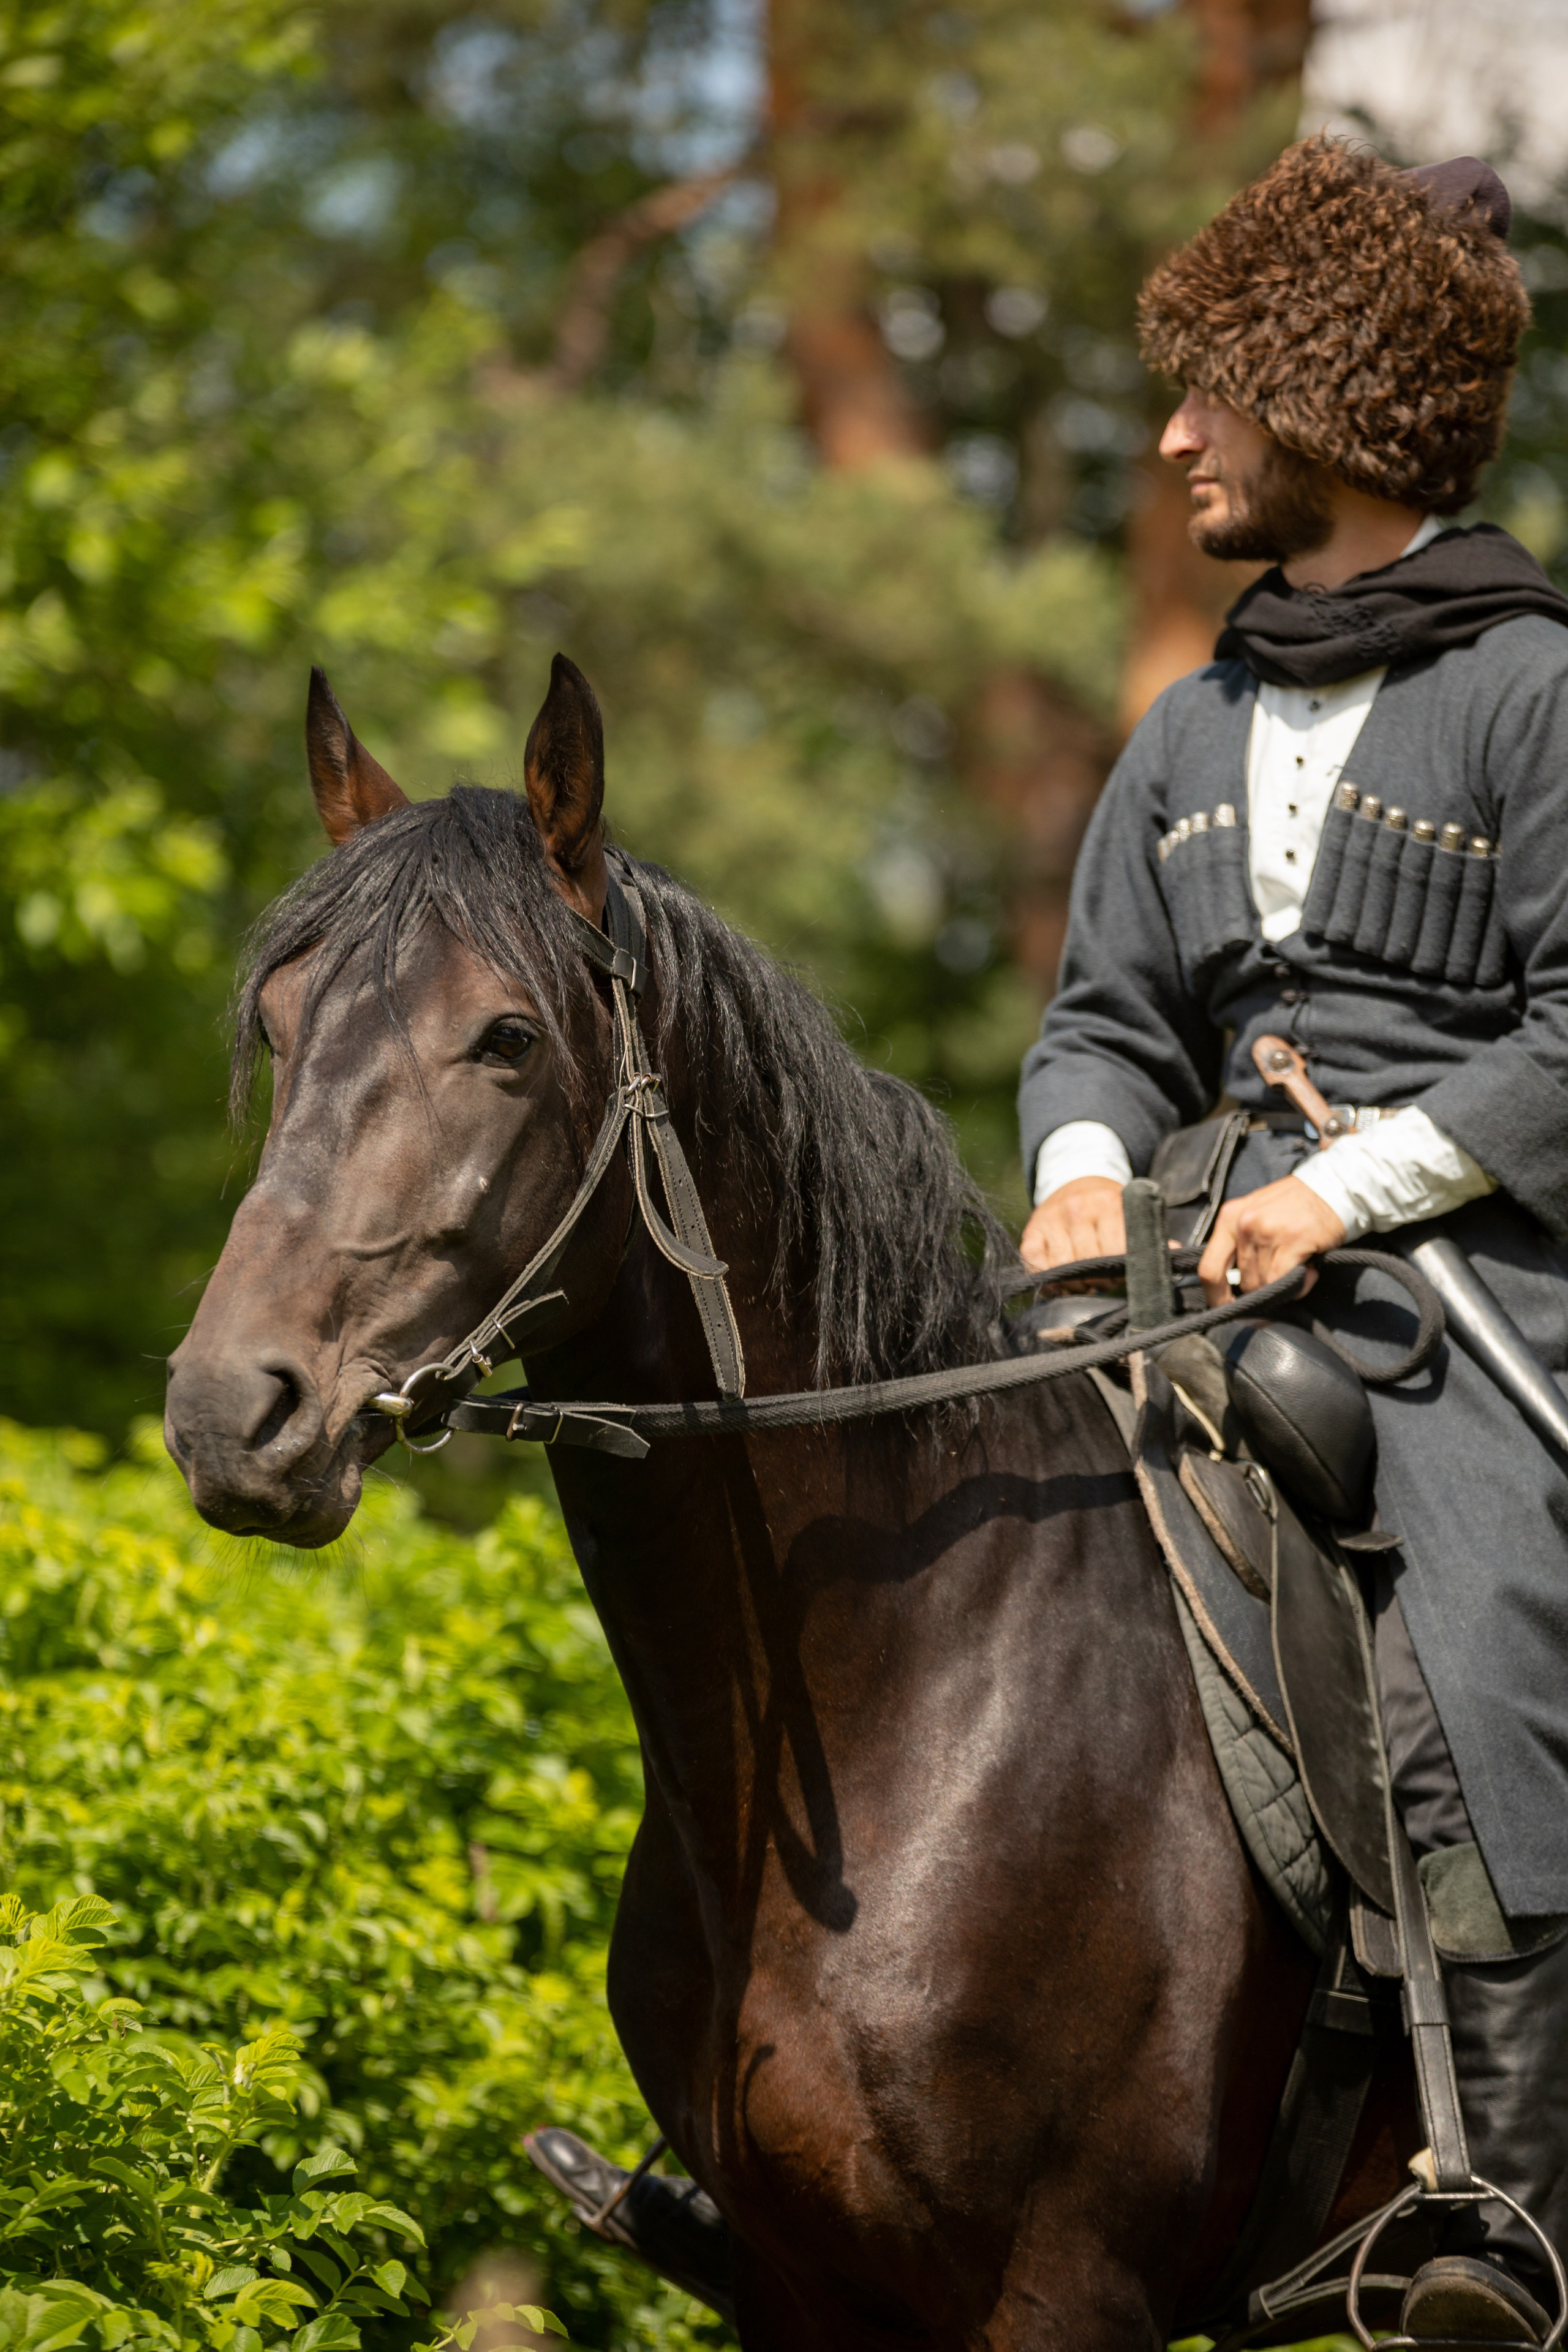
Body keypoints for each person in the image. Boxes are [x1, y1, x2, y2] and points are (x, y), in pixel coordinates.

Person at [1019, 134, 1568, 2345]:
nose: (1174, 442)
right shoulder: (1189, 724)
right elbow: (1101, 1021)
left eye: (1212, 398)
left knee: (1496, 1627)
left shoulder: (1536, 694)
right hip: (1164, 1250)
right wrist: (1073, 1160)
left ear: (1329, 397)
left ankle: (1505, 2222)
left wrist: (1340, 1192)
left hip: (1470, 1293)